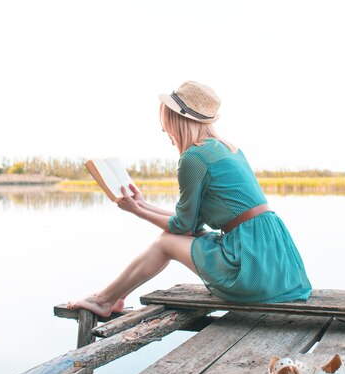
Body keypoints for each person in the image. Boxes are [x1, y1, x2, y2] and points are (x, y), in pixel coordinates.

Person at [67, 81, 312, 316]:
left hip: (250, 268)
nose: (164, 130)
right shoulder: (228, 148)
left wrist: (136, 211)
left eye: (166, 121)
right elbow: (192, 224)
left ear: (177, 120)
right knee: (174, 237)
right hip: (274, 258)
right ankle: (112, 296)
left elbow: (183, 226)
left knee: (166, 243)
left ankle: (103, 300)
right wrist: (142, 204)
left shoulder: (194, 157)